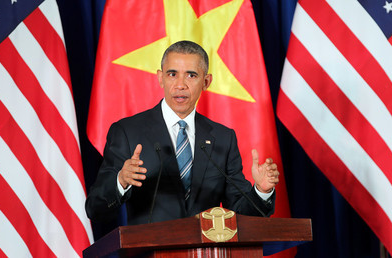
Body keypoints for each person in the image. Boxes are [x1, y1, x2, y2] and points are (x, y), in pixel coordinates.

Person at [85, 40, 280, 225]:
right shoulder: (127, 132)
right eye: (172, 74)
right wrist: (121, 181)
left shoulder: (223, 138)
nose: (180, 85)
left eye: (191, 75)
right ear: (160, 78)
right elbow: (95, 209)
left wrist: (261, 191)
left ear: (206, 81)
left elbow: (241, 213)